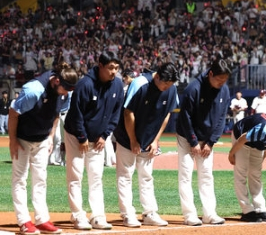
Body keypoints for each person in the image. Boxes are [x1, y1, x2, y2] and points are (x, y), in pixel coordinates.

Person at [10, 63, 78, 235]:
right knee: (20, 179)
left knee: (40, 179)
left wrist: (50, 136)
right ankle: (24, 221)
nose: (67, 93)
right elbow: (13, 113)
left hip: (41, 139)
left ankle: (42, 219)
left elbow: (57, 114)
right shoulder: (34, 90)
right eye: (65, 89)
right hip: (22, 139)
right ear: (56, 81)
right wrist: (12, 140)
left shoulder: (65, 93)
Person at [113, 62, 180, 228]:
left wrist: (156, 139)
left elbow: (167, 114)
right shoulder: (140, 83)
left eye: (170, 85)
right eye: (164, 84)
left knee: (147, 176)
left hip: (149, 139)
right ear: (156, 77)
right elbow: (128, 112)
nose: (166, 88)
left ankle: (150, 212)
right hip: (126, 137)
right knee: (125, 176)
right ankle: (127, 214)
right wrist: (133, 140)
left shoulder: (171, 89)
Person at [64, 51, 125, 230]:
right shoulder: (85, 84)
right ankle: (77, 215)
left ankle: (97, 216)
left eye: (116, 68)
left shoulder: (117, 85)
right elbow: (76, 113)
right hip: (76, 136)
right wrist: (82, 137)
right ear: (100, 66)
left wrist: (105, 135)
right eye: (110, 68)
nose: (114, 72)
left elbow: (116, 113)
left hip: (98, 138)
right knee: (75, 176)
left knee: (96, 176)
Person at [176, 59, 232, 226]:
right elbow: (185, 117)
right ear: (210, 74)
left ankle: (209, 214)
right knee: (186, 174)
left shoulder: (224, 90)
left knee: (207, 175)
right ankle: (190, 215)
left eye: (225, 80)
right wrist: (193, 141)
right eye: (219, 79)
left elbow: (222, 118)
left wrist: (210, 142)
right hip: (187, 136)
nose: (222, 83)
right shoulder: (193, 88)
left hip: (207, 139)